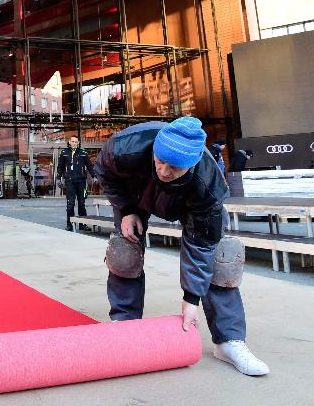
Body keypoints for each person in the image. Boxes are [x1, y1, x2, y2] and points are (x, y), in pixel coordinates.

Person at [94, 117, 269, 376]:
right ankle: (124, 326)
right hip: (137, 194)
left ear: (193, 162)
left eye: (175, 167)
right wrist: (128, 209)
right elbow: (105, 173)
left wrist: (191, 299)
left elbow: (200, 248)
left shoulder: (209, 186)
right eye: (160, 161)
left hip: (189, 202)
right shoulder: (125, 146)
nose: (164, 171)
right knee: (124, 253)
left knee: (220, 258)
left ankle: (228, 340)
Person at [57, 135, 95, 231]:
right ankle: (69, 224)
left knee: (82, 203)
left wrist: (94, 176)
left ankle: (83, 224)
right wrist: (58, 178)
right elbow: (60, 166)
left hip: (81, 181)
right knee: (70, 203)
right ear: (69, 142)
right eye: (73, 141)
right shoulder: (64, 152)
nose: (75, 143)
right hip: (69, 181)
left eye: (76, 142)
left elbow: (89, 165)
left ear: (78, 143)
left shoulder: (83, 152)